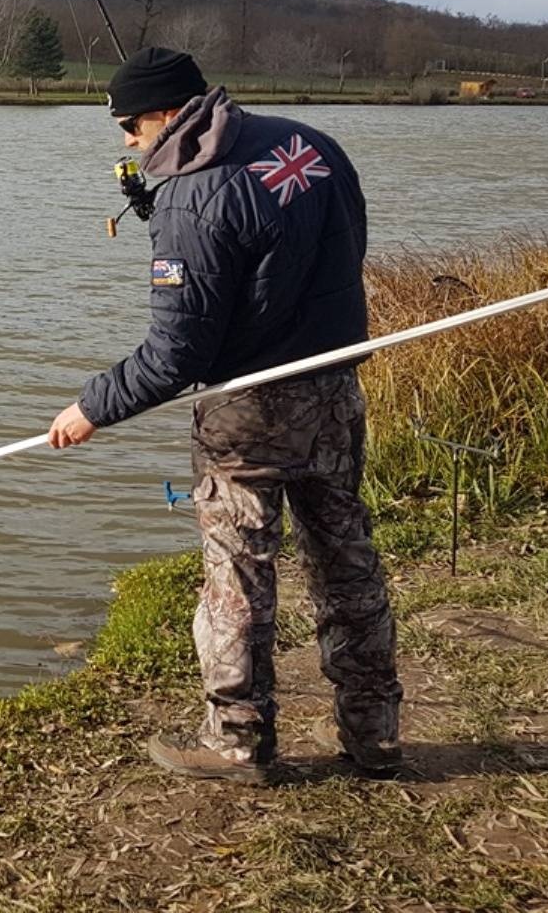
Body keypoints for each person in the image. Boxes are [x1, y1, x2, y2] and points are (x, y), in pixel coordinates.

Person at [45, 46, 402, 784]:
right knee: (347, 562)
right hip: (335, 390)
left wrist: (92, 407)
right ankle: (376, 736)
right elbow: (346, 248)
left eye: (129, 125)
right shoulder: (313, 145)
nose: (127, 142)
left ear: (169, 113)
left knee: (238, 576)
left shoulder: (190, 198)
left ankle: (237, 742)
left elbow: (175, 355)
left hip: (248, 412)